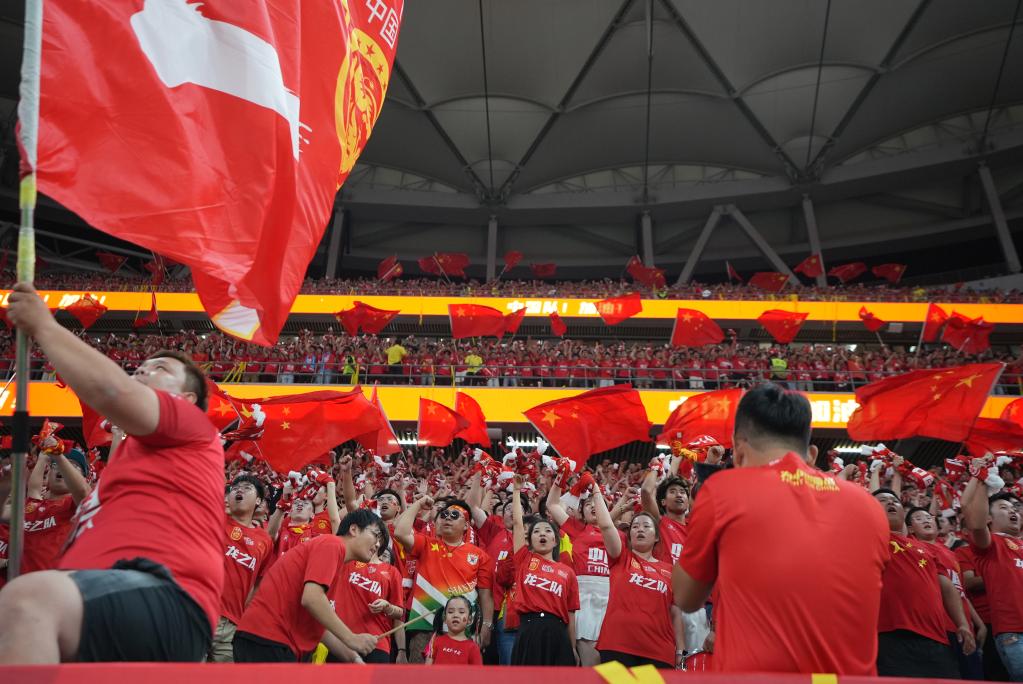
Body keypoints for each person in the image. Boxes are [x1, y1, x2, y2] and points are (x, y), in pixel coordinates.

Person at [0, 283, 225, 663]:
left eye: (161, 368)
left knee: (28, 601)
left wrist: (44, 326)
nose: (144, 368)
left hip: (164, 592)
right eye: (141, 365)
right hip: (102, 597)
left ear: (186, 399)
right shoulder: (131, 465)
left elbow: (112, 391)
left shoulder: (191, 423)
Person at [674, 383, 891, 675]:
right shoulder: (870, 507)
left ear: (738, 451)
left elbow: (686, 597)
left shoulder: (724, 491)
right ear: (811, 454)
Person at [233, 509, 383, 662]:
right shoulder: (332, 544)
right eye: (375, 535)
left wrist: (353, 658)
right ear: (354, 529)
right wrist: (352, 638)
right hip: (268, 640)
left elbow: (317, 623)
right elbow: (312, 599)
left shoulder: (334, 561)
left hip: (266, 641)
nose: (378, 544)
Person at [873, 487, 974, 678]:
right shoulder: (872, 539)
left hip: (937, 639)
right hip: (890, 636)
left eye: (894, 500)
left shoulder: (927, 549)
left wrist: (962, 623)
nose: (891, 502)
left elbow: (946, 587)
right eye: (882, 500)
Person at [394, 495, 494, 663]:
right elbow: (400, 532)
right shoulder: (426, 545)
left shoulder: (479, 555)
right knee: (419, 675)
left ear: (466, 525)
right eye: (443, 514)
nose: (448, 518)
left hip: (462, 629)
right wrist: (418, 504)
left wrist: (487, 625)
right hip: (424, 626)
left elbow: (486, 595)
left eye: (455, 515)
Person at [590, 482, 674, 669]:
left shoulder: (670, 571)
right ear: (629, 536)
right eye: (635, 526)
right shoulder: (620, 557)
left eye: (646, 526)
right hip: (616, 646)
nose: (640, 529)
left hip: (659, 651)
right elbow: (606, 525)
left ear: (657, 537)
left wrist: (680, 650)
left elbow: (675, 613)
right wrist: (596, 490)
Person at [906, 506, 986, 679]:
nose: (926, 520)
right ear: (910, 529)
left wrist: (979, 623)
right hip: (941, 629)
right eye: (919, 518)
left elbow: (960, 592)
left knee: (973, 677)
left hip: (964, 627)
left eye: (929, 517)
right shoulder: (913, 550)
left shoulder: (950, 553)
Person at [508, 476, 578, 666]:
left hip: (558, 632)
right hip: (529, 630)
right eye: (537, 531)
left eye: (547, 531)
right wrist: (516, 491)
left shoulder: (567, 572)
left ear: (555, 541)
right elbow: (517, 523)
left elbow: (571, 614)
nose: (542, 534)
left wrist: (572, 647)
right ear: (529, 540)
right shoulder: (524, 559)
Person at [962, 462, 1023, 680]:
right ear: (989, 518)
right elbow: (976, 523)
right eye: (1003, 508)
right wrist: (982, 478)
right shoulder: (991, 544)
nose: (1012, 510)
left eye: (1014, 508)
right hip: (1015, 631)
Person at [546, 479, 612, 666]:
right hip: (585, 598)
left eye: (597, 503)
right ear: (581, 512)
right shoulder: (577, 529)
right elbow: (552, 504)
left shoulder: (620, 534)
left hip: (612, 599)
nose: (593, 506)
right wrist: (561, 478)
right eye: (587, 504)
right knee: (591, 665)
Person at [209, 474, 274, 662]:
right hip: (200, 612)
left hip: (231, 626)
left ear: (259, 501)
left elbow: (258, 582)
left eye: (247, 488)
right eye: (235, 488)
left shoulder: (265, 541)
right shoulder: (213, 519)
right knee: (185, 673)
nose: (239, 490)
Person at [3, 443, 91, 575]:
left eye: (73, 466)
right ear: (48, 473)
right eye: (55, 465)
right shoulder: (31, 507)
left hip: (56, 583)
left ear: (84, 478)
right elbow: (32, 490)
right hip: (21, 584)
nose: (60, 468)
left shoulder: (76, 506)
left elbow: (83, 491)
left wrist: (58, 457)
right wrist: (5, 488)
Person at [331, 518, 405, 664]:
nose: (374, 540)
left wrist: (387, 606)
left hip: (376, 642)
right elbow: (335, 522)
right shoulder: (348, 560)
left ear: (382, 540)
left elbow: (400, 612)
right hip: (341, 638)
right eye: (372, 533)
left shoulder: (392, 571)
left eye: (378, 535)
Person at [425, 595, 482, 665]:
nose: (455, 615)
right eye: (450, 612)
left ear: (469, 620)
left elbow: (477, 671)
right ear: (445, 618)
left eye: (461, 612)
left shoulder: (473, 648)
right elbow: (427, 668)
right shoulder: (435, 642)